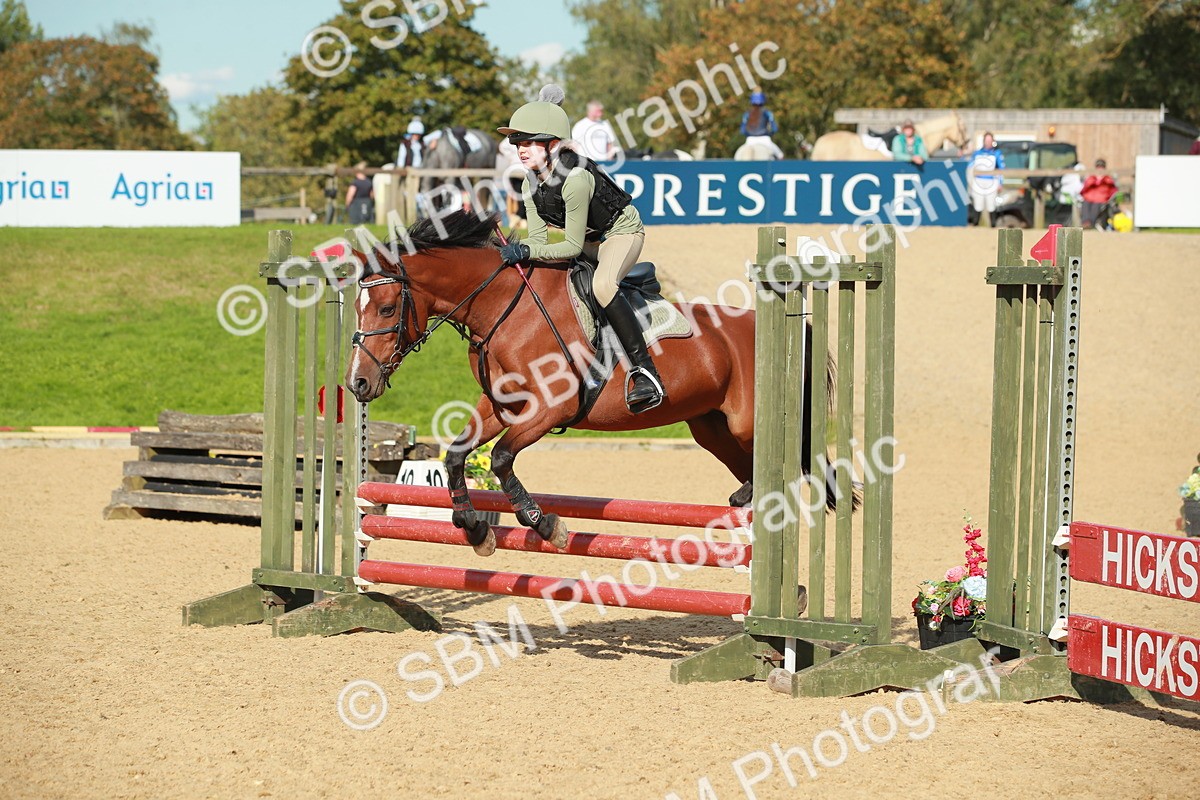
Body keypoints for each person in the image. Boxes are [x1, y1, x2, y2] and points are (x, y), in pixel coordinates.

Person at [496, 99, 664, 413]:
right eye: (516, 142)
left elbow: (570, 247)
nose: (521, 148)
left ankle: (645, 372)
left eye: (530, 142)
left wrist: (529, 249)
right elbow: (537, 240)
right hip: (589, 240)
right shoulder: (531, 183)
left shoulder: (574, 179)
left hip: (620, 233)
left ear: (554, 145)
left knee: (602, 287)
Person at [969, 132, 1005, 225]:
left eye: (990, 140)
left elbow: (1001, 169)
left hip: (991, 181)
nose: (988, 142)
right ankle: (975, 224)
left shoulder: (997, 153)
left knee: (991, 206)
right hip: (978, 181)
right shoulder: (977, 153)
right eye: (986, 140)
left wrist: (1000, 183)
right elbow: (970, 167)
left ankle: (993, 225)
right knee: (978, 205)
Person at [739, 91, 783, 159]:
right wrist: (770, 133)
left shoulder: (747, 114)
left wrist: (749, 134)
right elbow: (774, 128)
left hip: (750, 140)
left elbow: (742, 130)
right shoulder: (767, 113)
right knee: (780, 155)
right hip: (765, 139)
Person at [1080, 159, 1118, 229]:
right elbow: (1084, 189)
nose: (1100, 169)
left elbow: (1113, 191)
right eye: (1098, 167)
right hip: (1089, 198)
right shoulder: (1091, 178)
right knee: (1085, 204)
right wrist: (1094, 180)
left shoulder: (1108, 179)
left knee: (1096, 206)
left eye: (1101, 167)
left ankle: (1090, 224)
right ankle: (1085, 222)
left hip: (1100, 200)